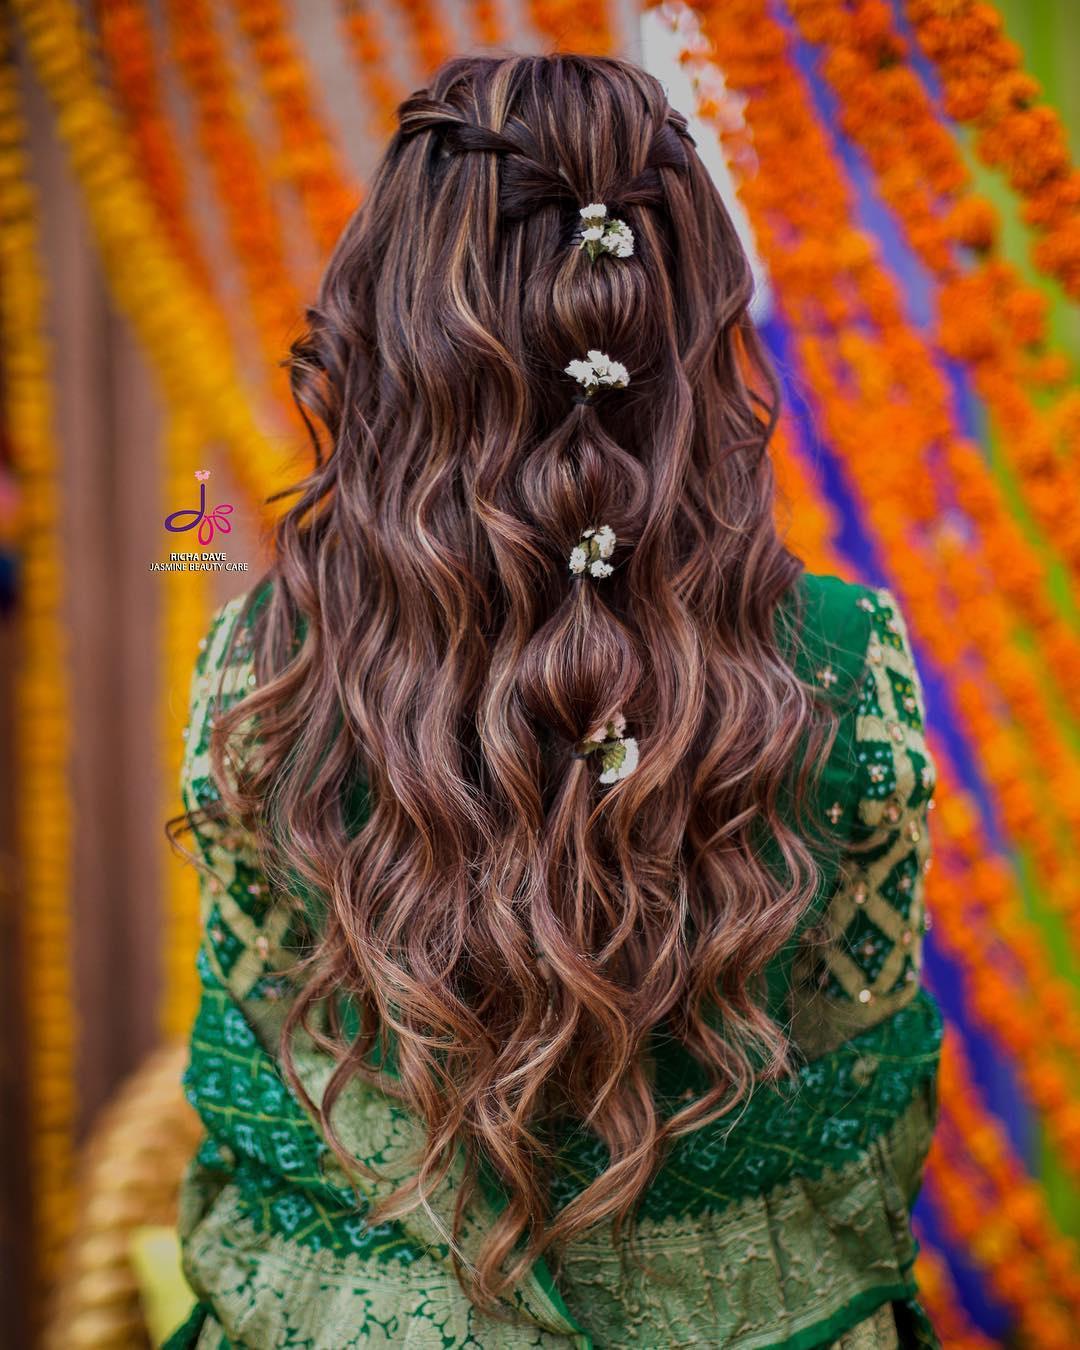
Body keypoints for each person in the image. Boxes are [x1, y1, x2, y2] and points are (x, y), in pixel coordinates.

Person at [164, 52, 941, 1350]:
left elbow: (265, 1086)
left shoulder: (259, 669)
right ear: (690, 328)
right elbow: (860, 1095)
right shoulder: (850, 662)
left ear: (392, 324)